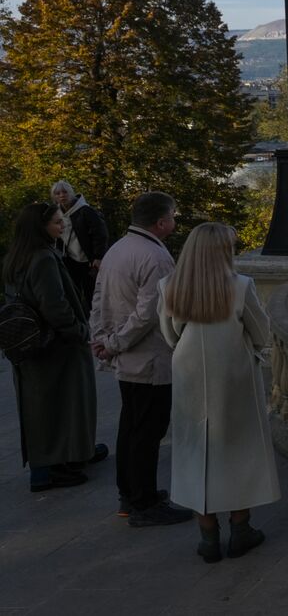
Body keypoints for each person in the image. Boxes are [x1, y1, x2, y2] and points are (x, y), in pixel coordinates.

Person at [158, 223, 280, 563]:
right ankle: (241, 528)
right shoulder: (240, 286)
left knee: (195, 449)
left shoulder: (169, 286)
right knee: (238, 447)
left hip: (189, 373)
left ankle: (207, 536)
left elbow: (170, 335)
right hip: (233, 373)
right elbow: (261, 332)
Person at [91, 191, 190, 527]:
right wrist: (114, 343)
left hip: (125, 357)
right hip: (148, 358)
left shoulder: (117, 249)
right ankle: (144, 502)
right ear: (161, 222)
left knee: (131, 426)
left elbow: (98, 298)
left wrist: (101, 339)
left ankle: (129, 493)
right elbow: (149, 314)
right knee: (148, 431)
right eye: (173, 217)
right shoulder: (156, 257)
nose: (174, 223)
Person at [4, 202, 99, 492]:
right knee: (65, 403)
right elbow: (55, 306)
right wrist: (79, 331)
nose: (63, 226)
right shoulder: (44, 258)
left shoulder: (14, 257)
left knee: (38, 404)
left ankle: (55, 463)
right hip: (55, 345)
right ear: (40, 227)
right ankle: (56, 467)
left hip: (27, 343)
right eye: (57, 222)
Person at [51, 180, 108, 313]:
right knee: (72, 294)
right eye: (57, 193)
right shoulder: (56, 214)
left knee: (92, 295)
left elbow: (100, 234)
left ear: (71, 192)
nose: (61, 196)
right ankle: (79, 324)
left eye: (64, 192)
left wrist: (98, 257)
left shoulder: (85, 211)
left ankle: (96, 324)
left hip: (88, 261)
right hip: (69, 259)